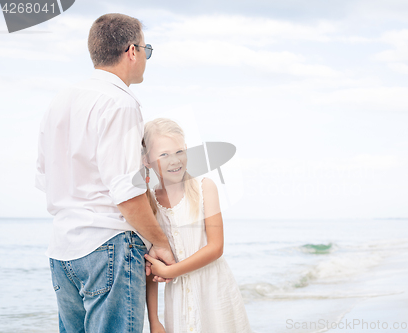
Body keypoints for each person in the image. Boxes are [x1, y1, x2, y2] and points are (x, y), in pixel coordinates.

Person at [35, 14, 175, 333]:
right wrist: (160, 243)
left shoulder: (59, 101)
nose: (145, 58)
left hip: (62, 249)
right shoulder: (120, 103)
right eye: (146, 50)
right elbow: (126, 192)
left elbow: (45, 177)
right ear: (131, 51)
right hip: (108, 244)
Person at [141, 118, 252, 333]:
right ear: (147, 160)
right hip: (178, 298)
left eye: (180, 151)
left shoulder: (204, 188)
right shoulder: (149, 202)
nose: (174, 161)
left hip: (214, 290)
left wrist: (170, 270)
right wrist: (154, 320)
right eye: (164, 154)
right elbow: (151, 266)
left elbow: (216, 248)